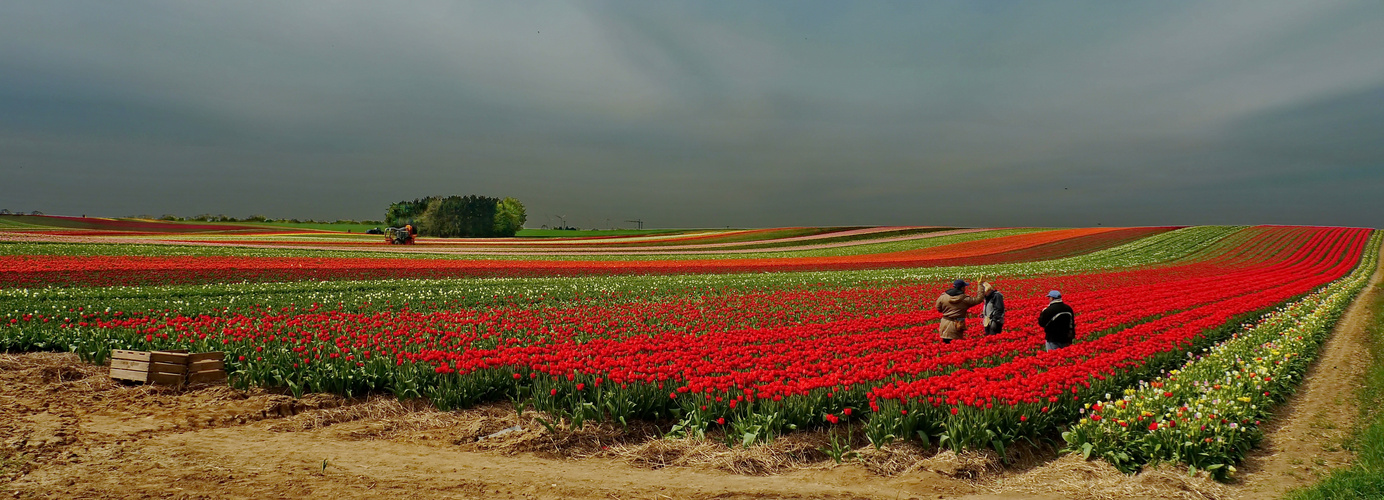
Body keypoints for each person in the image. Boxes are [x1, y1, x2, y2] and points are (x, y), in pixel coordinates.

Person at [935, 279, 983, 344]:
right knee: (955, 346)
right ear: (962, 288)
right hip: (957, 325)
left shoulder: (943, 297)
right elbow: (978, 299)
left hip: (944, 324)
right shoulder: (964, 299)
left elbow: (938, 308)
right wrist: (980, 285)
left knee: (946, 344)